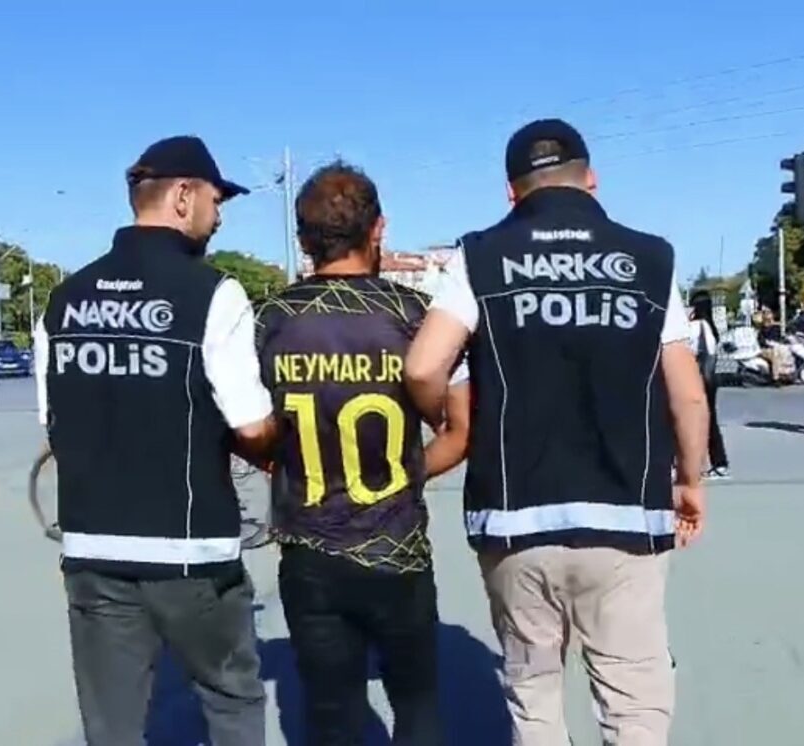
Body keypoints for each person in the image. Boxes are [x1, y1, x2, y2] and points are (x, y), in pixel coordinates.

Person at [404, 118, 709, 746]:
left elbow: (423, 367)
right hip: (627, 515)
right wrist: (690, 480)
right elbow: (686, 392)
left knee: (534, 692)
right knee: (634, 701)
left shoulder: (479, 256)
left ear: (511, 192)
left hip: (513, 517)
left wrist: (449, 421)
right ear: (591, 179)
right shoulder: (651, 259)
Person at [33, 135, 277, 746]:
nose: (219, 217)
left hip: (93, 550)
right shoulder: (212, 293)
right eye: (217, 200)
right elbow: (252, 426)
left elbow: (56, 425)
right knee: (231, 698)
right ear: (184, 196)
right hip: (191, 551)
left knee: (112, 725)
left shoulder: (63, 300)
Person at [255, 160, 471, 745]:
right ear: (379, 229)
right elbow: (461, 430)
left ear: (304, 240)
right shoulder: (417, 316)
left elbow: (245, 429)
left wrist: (283, 464)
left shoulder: (270, 320)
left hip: (309, 549)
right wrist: (408, 471)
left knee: (331, 715)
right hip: (398, 548)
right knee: (418, 705)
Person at [688, 291, 728, 478]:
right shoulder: (711, 327)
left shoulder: (695, 327)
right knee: (711, 421)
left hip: (696, 380)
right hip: (711, 380)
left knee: (691, 423)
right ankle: (719, 462)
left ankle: (695, 464)